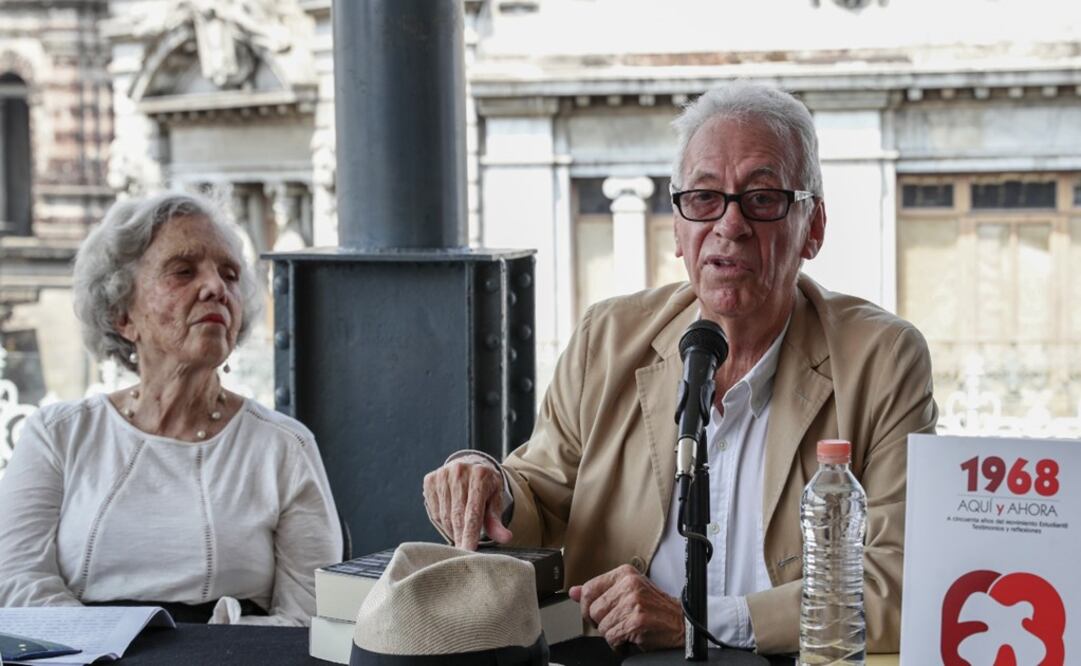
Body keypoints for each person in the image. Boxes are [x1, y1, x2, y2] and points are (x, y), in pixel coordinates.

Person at [423, 82, 937, 655]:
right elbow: (538, 496)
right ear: (676, 226)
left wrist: (702, 622)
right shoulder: (607, 339)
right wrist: (488, 485)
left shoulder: (881, 360)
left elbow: (899, 580)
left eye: (762, 198)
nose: (730, 225)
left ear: (812, 228)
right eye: (704, 197)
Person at [0, 192, 342, 626]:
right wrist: (111, 643)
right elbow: (16, 582)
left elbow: (311, 616)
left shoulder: (284, 447)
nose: (217, 288)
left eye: (230, 275)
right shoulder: (57, 434)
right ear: (123, 315)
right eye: (183, 271)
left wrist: (210, 650)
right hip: (82, 654)